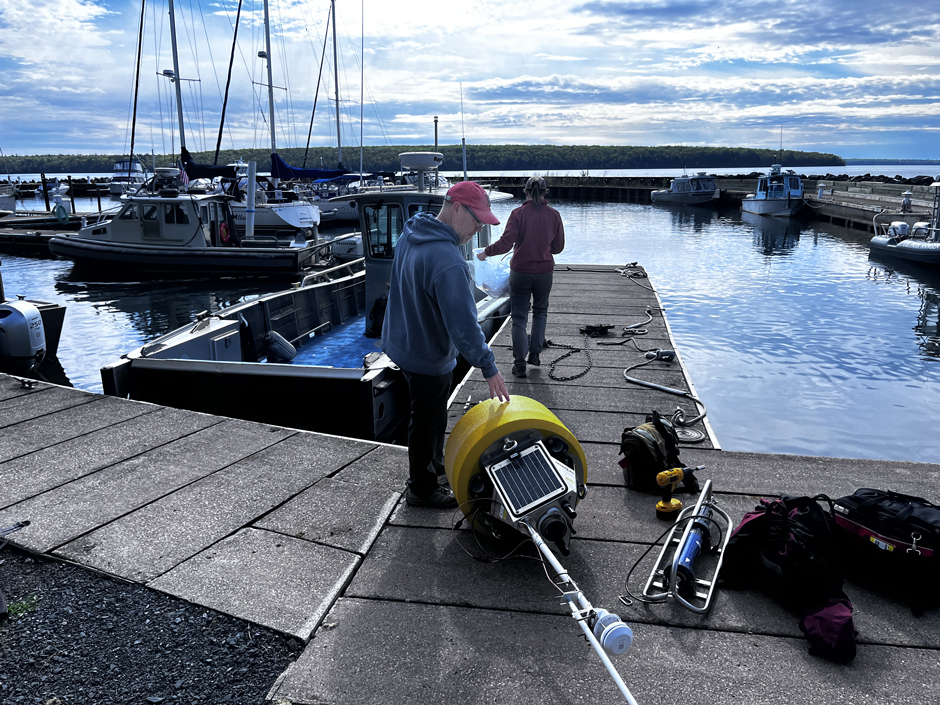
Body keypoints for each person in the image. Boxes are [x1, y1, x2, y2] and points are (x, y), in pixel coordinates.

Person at [382, 181, 511, 509]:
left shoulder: (411, 232)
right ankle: (422, 489)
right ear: (456, 208)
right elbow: (464, 327)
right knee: (425, 419)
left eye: (484, 222)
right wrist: (489, 366)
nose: (479, 228)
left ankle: (434, 464)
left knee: (430, 414)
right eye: (476, 220)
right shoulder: (448, 259)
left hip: (403, 342)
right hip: (427, 354)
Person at [477, 176, 565, 378]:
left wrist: (486, 253)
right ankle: (534, 354)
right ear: (545, 192)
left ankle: (519, 365)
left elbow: (506, 244)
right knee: (540, 312)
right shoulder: (554, 215)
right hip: (544, 273)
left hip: (520, 273)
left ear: (525, 191)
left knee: (519, 319)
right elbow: (558, 248)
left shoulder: (517, 214)